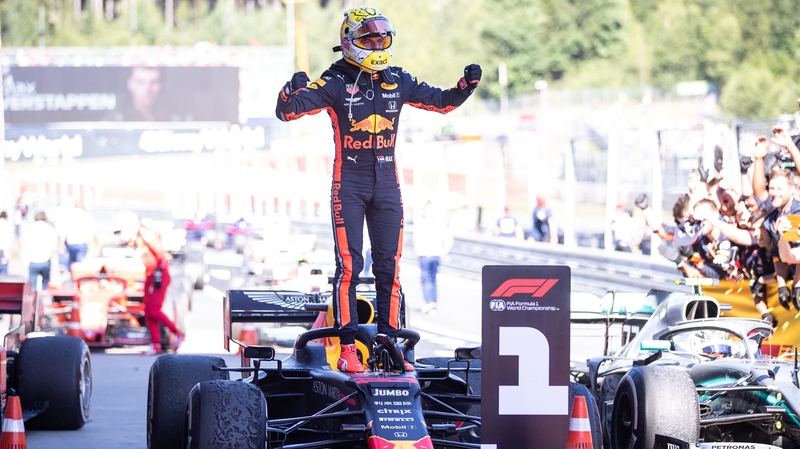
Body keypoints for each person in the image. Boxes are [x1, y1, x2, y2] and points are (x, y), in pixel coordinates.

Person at [275, 6, 481, 373]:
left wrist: (466, 86)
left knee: (390, 267)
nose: (377, 43)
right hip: (348, 183)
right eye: (368, 38)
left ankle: (390, 342)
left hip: (387, 183)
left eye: (382, 37)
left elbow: (442, 102)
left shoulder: (397, 78)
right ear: (350, 42)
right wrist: (290, 90)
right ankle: (348, 346)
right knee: (350, 268)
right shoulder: (335, 79)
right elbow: (288, 112)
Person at [135, 223, 184, 355]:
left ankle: (177, 333)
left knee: (154, 310)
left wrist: (158, 274)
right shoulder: (138, 238)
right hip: (150, 275)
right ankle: (155, 344)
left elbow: (161, 255)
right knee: (148, 311)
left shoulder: (145, 234)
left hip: (158, 275)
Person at [412, 202, 454, 315]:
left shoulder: (422, 223)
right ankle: (432, 303)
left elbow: (415, 238)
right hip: (433, 254)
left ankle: (429, 302)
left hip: (427, 255)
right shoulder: (438, 223)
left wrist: (418, 252)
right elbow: (449, 239)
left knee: (426, 278)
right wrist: (443, 252)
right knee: (432, 279)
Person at [23, 212, 58, 291]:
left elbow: (24, 244)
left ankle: (32, 302)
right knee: (45, 286)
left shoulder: (29, 228)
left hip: (33, 260)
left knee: (32, 287)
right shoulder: (50, 229)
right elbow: (54, 247)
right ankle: (44, 302)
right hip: (45, 260)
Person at [0, 211, 12, 276]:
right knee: (3, 274)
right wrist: (6, 252)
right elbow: (3, 238)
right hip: (2, 250)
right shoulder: (4, 224)